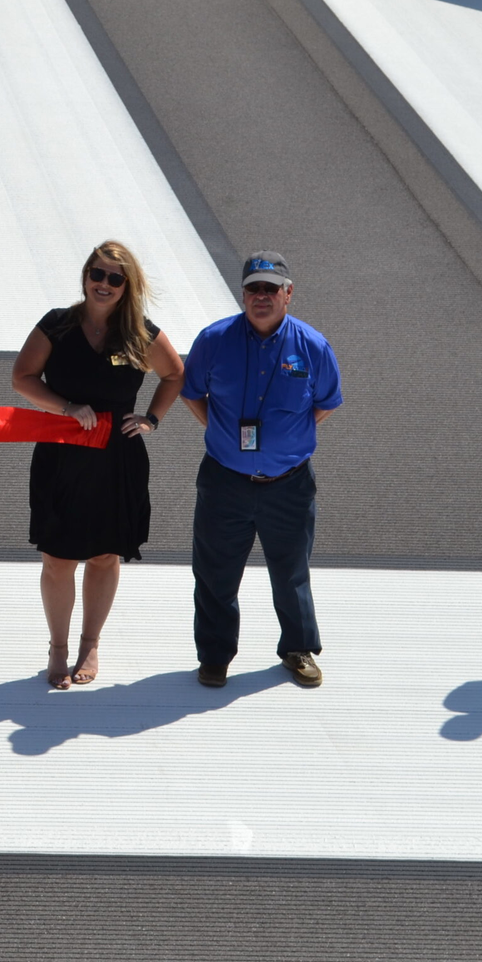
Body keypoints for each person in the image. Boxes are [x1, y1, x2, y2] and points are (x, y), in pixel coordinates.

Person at [11, 241, 184, 689]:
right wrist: (66, 406)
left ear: (128, 285)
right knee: (57, 558)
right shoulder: (58, 325)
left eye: (114, 278)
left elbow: (175, 374)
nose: (103, 284)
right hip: (62, 454)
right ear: (85, 276)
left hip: (117, 458)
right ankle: (59, 647)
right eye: (97, 274)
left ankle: (90, 644)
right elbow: (22, 377)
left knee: (105, 555)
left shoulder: (140, 333)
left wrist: (151, 418)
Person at [181, 252, 342, 689]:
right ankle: (214, 657)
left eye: (272, 288)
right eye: (254, 288)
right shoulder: (213, 340)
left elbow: (326, 404)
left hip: (288, 484)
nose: (262, 296)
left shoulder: (312, 346)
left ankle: (298, 649)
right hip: (224, 480)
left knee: (291, 572)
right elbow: (192, 392)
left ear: (289, 294)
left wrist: (285, 443)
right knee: (215, 574)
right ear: (243, 294)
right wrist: (223, 434)